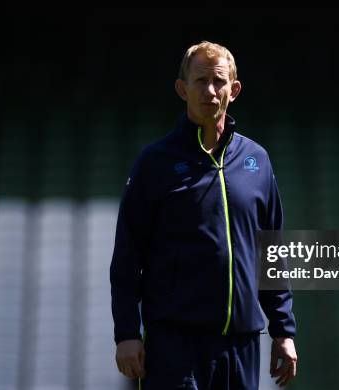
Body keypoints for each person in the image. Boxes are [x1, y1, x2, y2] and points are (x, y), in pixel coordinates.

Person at [110, 41, 297, 389]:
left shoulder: (257, 160)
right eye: (200, 81)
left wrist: (283, 331)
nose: (210, 90)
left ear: (234, 89)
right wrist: (126, 333)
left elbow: (271, 254)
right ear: (182, 89)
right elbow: (126, 257)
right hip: (174, 346)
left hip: (242, 343)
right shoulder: (155, 163)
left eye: (219, 81)